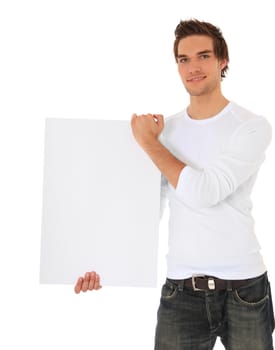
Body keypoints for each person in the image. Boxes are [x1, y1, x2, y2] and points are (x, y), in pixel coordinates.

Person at [74, 19, 275, 349]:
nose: (193, 67)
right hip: (182, 292)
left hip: (245, 289)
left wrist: (149, 143)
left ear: (223, 61)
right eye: (184, 59)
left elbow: (205, 191)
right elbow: (142, 210)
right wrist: (97, 263)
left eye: (203, 56)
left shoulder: (251, 127)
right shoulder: (165, 132)